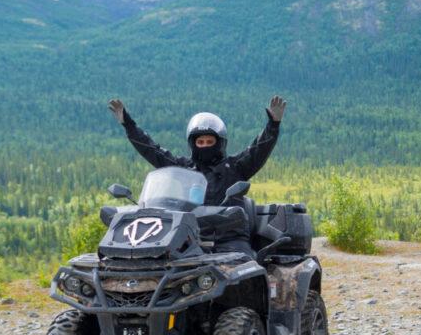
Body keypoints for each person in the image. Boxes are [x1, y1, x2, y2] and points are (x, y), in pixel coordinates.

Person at [106, 96, 286, 258]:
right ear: (193, 144)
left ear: (220, 143)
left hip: (228, 239)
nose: (204, 145)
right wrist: (128, 125)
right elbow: (153, 151)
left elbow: (258, 150)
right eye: (200, 142)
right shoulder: (183, 168)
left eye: (210, 141)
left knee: (244, 269)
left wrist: (273, 125)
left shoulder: (236, 167)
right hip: (185, 239)